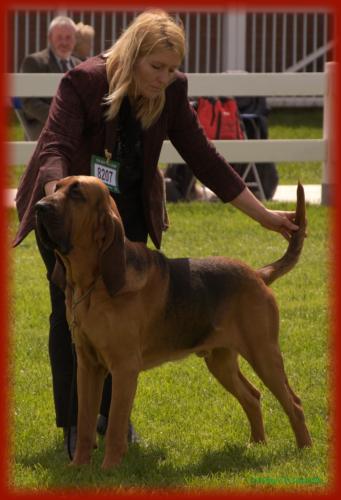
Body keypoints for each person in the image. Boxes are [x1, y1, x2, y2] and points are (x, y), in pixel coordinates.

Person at [13, 9, 299, 456]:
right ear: (132, 58)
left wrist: (262, 214)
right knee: (67, 315)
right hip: (68, 210)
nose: (165, 77)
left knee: (123, 317)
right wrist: (57, 196)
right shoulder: (84, 83)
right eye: (156, 67)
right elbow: (55, 147)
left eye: (171, 69)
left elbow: (203, 158)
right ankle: (75, 427)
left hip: (123, 214)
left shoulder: (172, 90)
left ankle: (113, 424)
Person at [19, 16, 81, 140]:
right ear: (50, 38)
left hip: (76, 134)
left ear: (75, 39)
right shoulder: (34, 62)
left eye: (68, 37)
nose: (64, 42)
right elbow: (29, 102)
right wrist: (61, 117)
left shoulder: (80, 65)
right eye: (59, 37)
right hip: (45, 132)